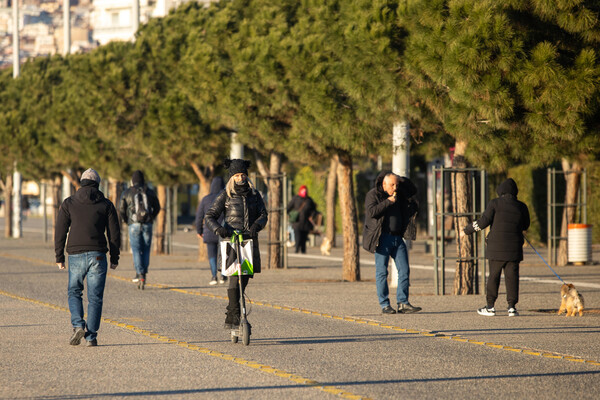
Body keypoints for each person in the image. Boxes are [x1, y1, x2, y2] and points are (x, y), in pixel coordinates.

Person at [55, 168, 120, 347]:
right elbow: (114, 233)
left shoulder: (69, 203)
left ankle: (77, 324)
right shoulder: (106, 204)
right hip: (98, 255)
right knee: (95, 297)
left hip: (75, 254)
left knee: (74, 291)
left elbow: (60, 231)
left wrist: (59, 256)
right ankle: (91, 336)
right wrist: (115, 257)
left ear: (81, 183)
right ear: (97, 184)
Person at [204, 159, 268, 329]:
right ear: (232, 177)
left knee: (244, 277)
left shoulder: (254, 195)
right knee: (234, 277)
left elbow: (263, 214)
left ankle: (235, 308)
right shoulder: (225, 195)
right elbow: (209, 216)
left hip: (248, 242)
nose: (240, 178)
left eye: (243, 175)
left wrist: (257, 225)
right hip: (231, 242)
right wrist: (219, 230)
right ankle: (233, 311)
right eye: (237, 175)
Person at [461, 178, 530, 317]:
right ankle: (512, 307)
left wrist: (467, 230)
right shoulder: (522, 206)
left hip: (496, 248)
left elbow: (483, 222)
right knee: (512, 277)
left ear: (501, 191)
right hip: (514, 249)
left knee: (494, 276)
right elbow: (526, 225)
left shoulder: (495, 203)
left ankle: (490, 306)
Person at [363, 171, 421, 314]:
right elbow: (371, 212)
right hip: (382, 238)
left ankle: (403, 302)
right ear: (384, 184)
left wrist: (401, 179)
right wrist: (388, 202)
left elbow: (413, 190)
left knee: (404, 270)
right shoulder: (373, 195)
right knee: (382, 272)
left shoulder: (399, 193)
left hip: (397, 238)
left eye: (396, 184)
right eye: (392, 184)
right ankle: (385, 304)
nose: (395, 187)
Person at [118, 170, 160, 287]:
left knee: (136, 249)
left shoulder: (127, 192)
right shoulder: (150, 192)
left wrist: (127, 221)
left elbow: (121, 209)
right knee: (146, 249)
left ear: (133, 180)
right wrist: (151, 217)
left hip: (134, 224)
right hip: (147, 223)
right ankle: (144, 274)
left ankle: (139, 273)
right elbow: (157, 207)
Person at [195, 176, 227, 285]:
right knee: (223, 253)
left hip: (209, 231)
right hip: (223, 231)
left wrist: (199, 231)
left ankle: (214, 276)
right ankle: (223, 275)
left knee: (212, 255)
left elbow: (199, 217)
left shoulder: (205, 199)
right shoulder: (226, 197)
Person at [286, 185, 317, 254]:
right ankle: (296, 249)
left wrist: (312, 216)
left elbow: (314, 210)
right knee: (298, 236)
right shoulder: (296, 198)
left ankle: (303, 250)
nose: (304, 192)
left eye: (305, 190)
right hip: (297, 222)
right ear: (300, 190)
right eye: (303, 190)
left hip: (306, 223)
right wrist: (289, 215)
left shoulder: (309, 200)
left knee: (304, 237)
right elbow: (289, 207)